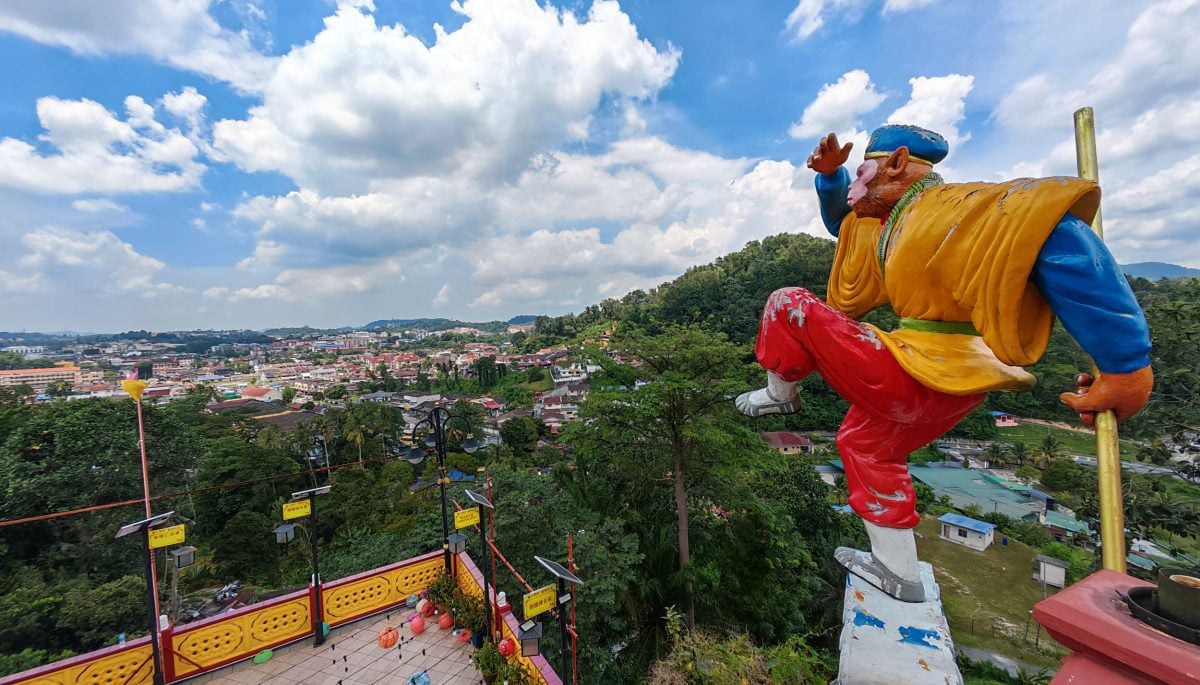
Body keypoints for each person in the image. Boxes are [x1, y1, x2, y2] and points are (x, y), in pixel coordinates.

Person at [735, 124, 1153, 602]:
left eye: (862, 172)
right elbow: (846, 221)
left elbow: (1060, 237)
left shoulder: (962, 207)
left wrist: (1125, 364)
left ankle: (779, 394)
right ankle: (898, 573)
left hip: (916, 371)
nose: (856, 187)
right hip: (958, 385)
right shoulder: (891, 219)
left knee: (789, 302)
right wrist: (832, 179)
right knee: (864, 447)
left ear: (894, 166)